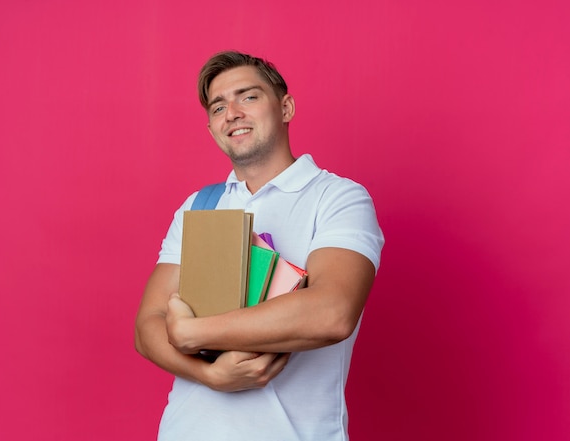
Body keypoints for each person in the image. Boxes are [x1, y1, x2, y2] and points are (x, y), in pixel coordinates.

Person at [135, 50, 384, 440]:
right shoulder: (199, 205)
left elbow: (332, 313)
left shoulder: (337, 198)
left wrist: (191, 334)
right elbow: (147, 326)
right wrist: (211, 374)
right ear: (212, 128)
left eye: (247, 96)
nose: (231, 112)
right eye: (218, 106)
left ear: (285, 108)